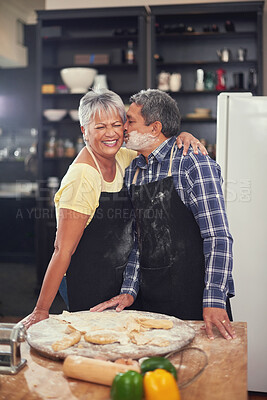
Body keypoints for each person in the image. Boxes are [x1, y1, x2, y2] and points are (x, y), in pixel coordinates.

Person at [22, 89, 205, 329]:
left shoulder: (124, 157)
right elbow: (61, 250)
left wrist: (184, 136)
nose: (110, 134)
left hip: (122, 283)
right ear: (84, 131)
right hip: (89, 280)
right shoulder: (82, 176)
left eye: (117, 124)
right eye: (99, 127)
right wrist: (41, 310)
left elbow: (158, 143)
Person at [91, 89, 236, 341]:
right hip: (150, 300)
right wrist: (129, 290)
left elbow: (218, 237)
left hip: (195, 298)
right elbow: (140, 239)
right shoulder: (135, 168)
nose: (122, 127)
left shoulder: (193, 163)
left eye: (130, 121)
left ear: (155, 128)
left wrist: (214, 298)